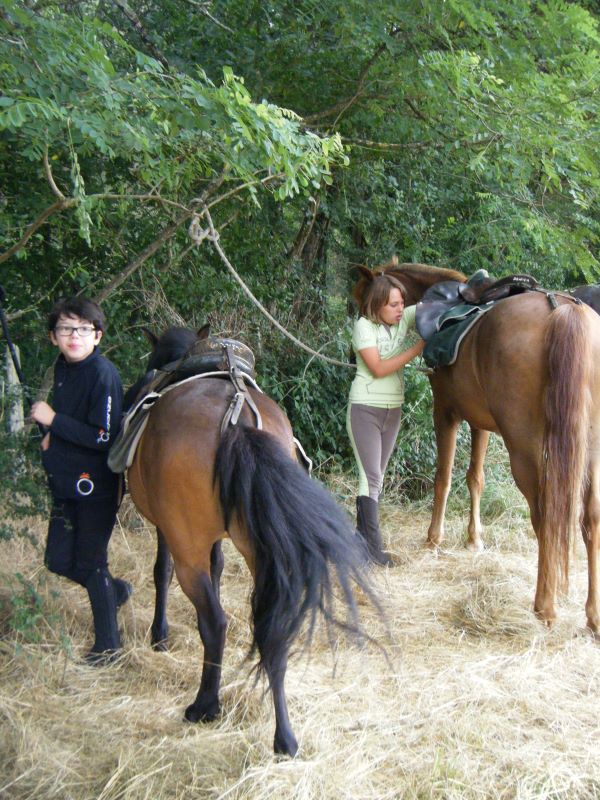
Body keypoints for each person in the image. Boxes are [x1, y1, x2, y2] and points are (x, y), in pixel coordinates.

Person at [30, 296, 129, 664]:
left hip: (96, 486)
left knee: (91, 562)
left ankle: (108, 647)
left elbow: (104, 436)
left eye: (83, 329)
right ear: (54, 337)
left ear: (97, 336)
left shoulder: (103, 374)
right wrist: (51, 433)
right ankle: (113, 592)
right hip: (65, 482)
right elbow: (73, 420)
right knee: (57, 560)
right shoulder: (63, 368)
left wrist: (53, 421)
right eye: (66, 329)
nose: (74, 336)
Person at [347, 267, 425, 565]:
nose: (400, 309)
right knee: (371, 477)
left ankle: (359, 543)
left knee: (375, 479)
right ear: (377, 304)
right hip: (365, 408)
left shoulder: (401, 319)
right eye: (393, 304)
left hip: (393, 409)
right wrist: (418, 348)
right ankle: (374, 551)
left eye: (402, 303)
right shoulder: (363, 327)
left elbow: (430, 307)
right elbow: (378, 368)